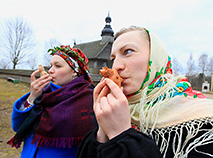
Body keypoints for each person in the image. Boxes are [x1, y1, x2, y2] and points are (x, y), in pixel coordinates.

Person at [76, 26, 213, 158]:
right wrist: (102, 133)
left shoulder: (203, 122)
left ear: (156, 59)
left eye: (128, 52)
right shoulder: (114, 111)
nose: (116, 66)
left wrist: (122, 136)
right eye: (113, 59)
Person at [7, 45, 96, 158]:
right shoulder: (43, 94)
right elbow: (17, 126)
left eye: (57, 66)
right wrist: (32, 97)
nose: (50, 70)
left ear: (75, 72)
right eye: (51, 65)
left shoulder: (89, 98)